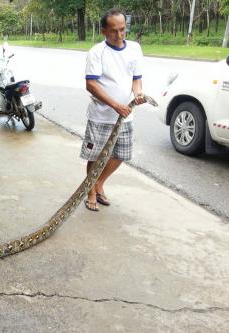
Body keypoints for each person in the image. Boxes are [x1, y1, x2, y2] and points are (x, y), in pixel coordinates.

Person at [80, 8, 146, 212]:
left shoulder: (134, 48)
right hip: (101, 116)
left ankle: (99, 183)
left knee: (120, 155)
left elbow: (136, 79)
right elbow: (91, 85)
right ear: (103, 31)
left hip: (125, 116)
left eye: (123, 30)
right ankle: (90, 191)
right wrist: (115, 105)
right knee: (96, 156)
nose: (119, 35)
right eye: (114, 31)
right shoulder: (97, 52)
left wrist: (138, 93)